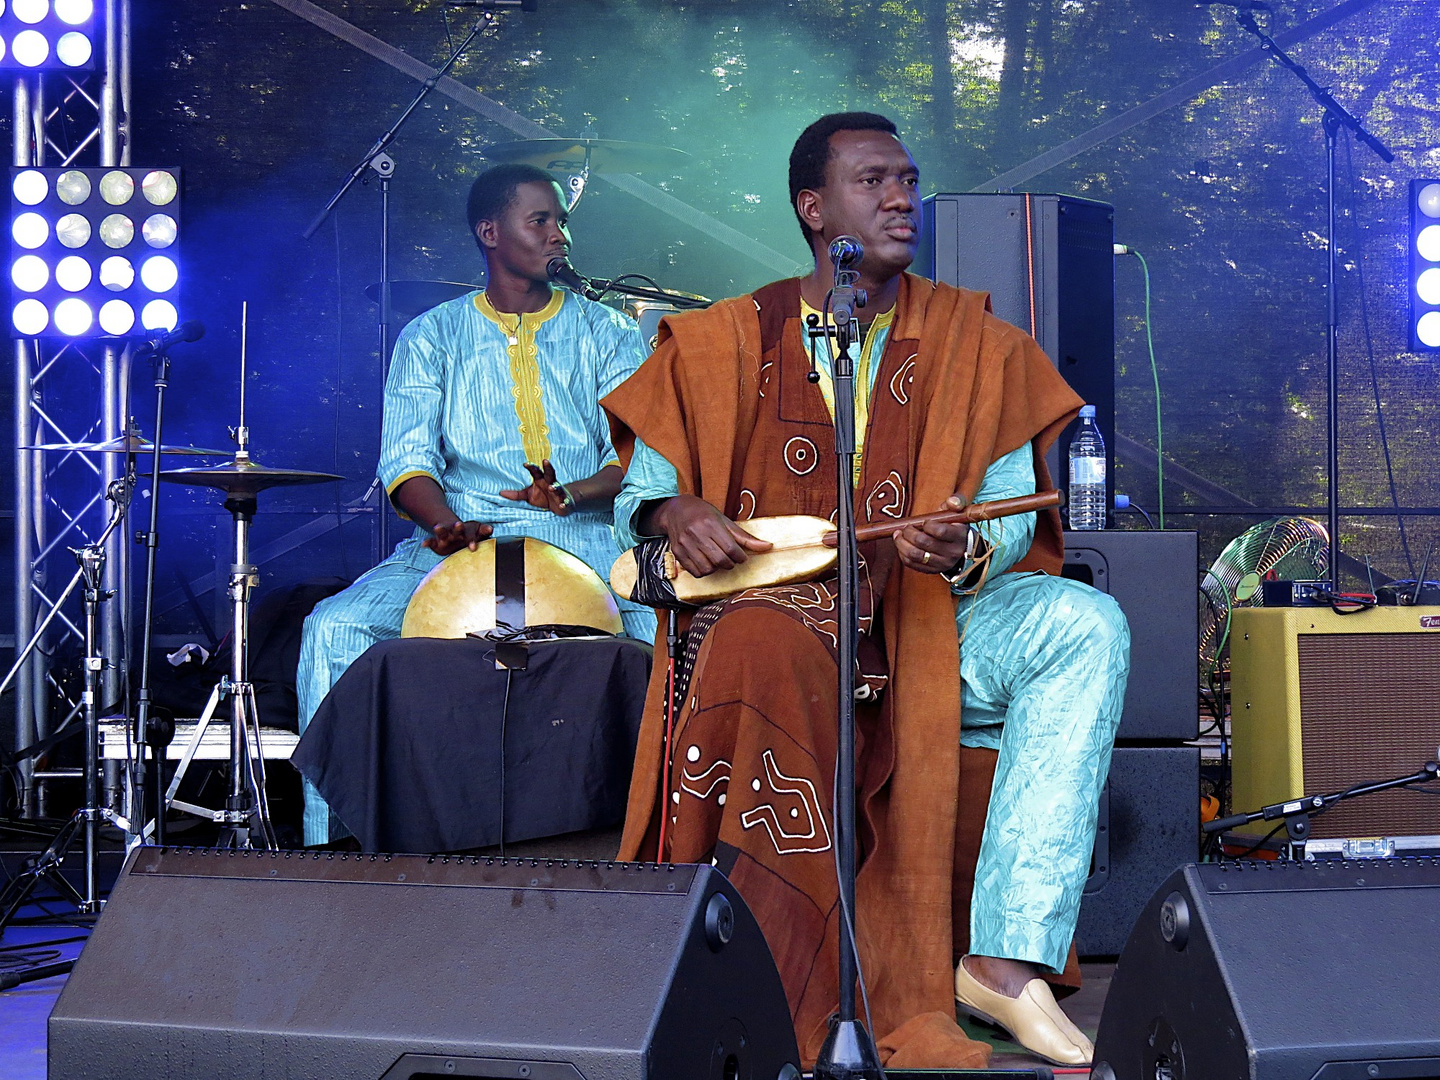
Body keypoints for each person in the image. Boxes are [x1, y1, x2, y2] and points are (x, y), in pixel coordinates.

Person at [601, 113, 1129, 1069]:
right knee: (758, 636)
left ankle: (1006, 961)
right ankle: (771, 975)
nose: (900, 199)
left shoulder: (978, 342)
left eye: (910, 181)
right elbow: (639, 507)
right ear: (814, 208)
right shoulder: (720, 341)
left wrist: (961, 546)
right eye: (873, 180)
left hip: (935, 620)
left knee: (1084, 622)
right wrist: (678, 511)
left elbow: (1011, 505)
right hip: (776, 614)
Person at [296, 162, 654, 847]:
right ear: (491, 232)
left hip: (585, 536)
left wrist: (570, 493)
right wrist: (443, 524)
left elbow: (639, 458)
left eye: (562, 221)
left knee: (671, 635)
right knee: (334, 628)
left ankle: (660, 848)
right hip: (465, 536)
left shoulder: (607, 332)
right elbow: (405, 461)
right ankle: (332, 851)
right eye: (541, 221)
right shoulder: (431, 336)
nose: (560, 236)